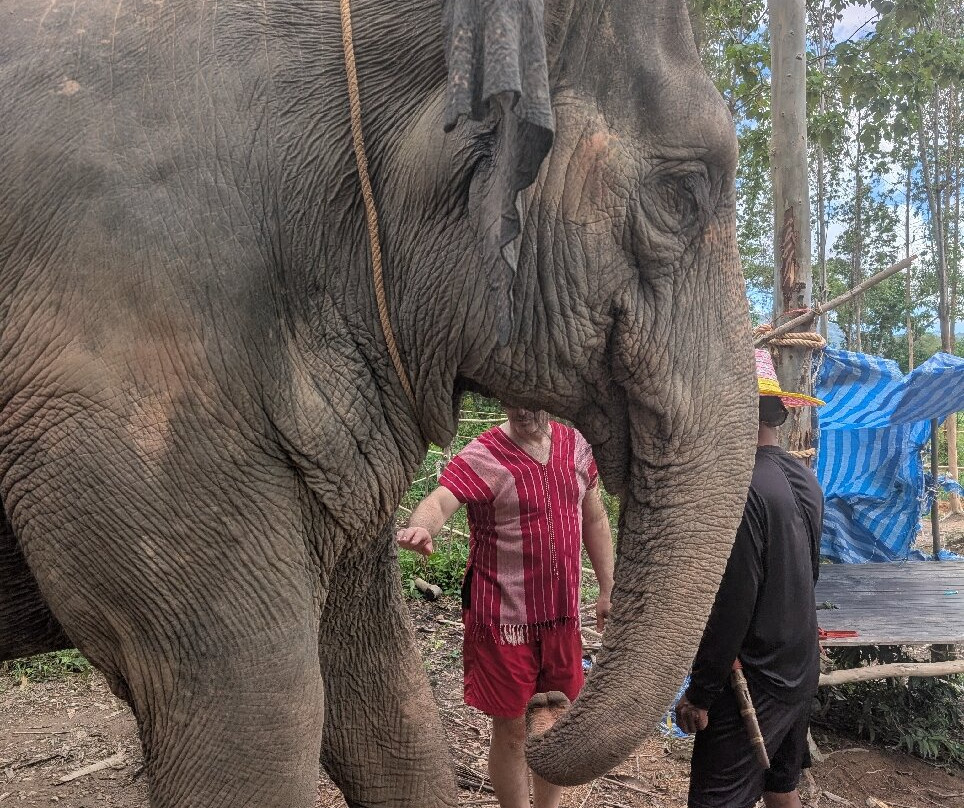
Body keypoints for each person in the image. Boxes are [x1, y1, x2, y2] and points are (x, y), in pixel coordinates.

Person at [397, 405, 615, 808]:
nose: (523, 409)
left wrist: (607, 588)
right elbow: (442, 500)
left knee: (555, 723)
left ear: (551, 397)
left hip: (562, 619)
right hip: (503, 620)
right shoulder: (485, 454)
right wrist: (422, 527)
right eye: (513, 399)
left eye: (533, 398)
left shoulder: (576, 447)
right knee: (513, 728)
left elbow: (595, 519)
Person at [675, 349, 825, 808]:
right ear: (776, 413)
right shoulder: (803, 479)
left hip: (753, 681)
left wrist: (700, 692)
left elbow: (732, 603)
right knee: (781, 788)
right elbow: (809, 576)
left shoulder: (739, 493)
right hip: (799, 668)